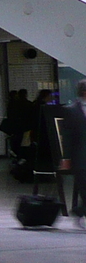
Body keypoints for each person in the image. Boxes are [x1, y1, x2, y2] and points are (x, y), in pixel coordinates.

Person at [61, 82, 86, 226]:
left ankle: (80, 210)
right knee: (84, 185)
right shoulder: (71, 111)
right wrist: (66, 157)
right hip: (80, 155)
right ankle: (81, 210)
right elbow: (67, 136)